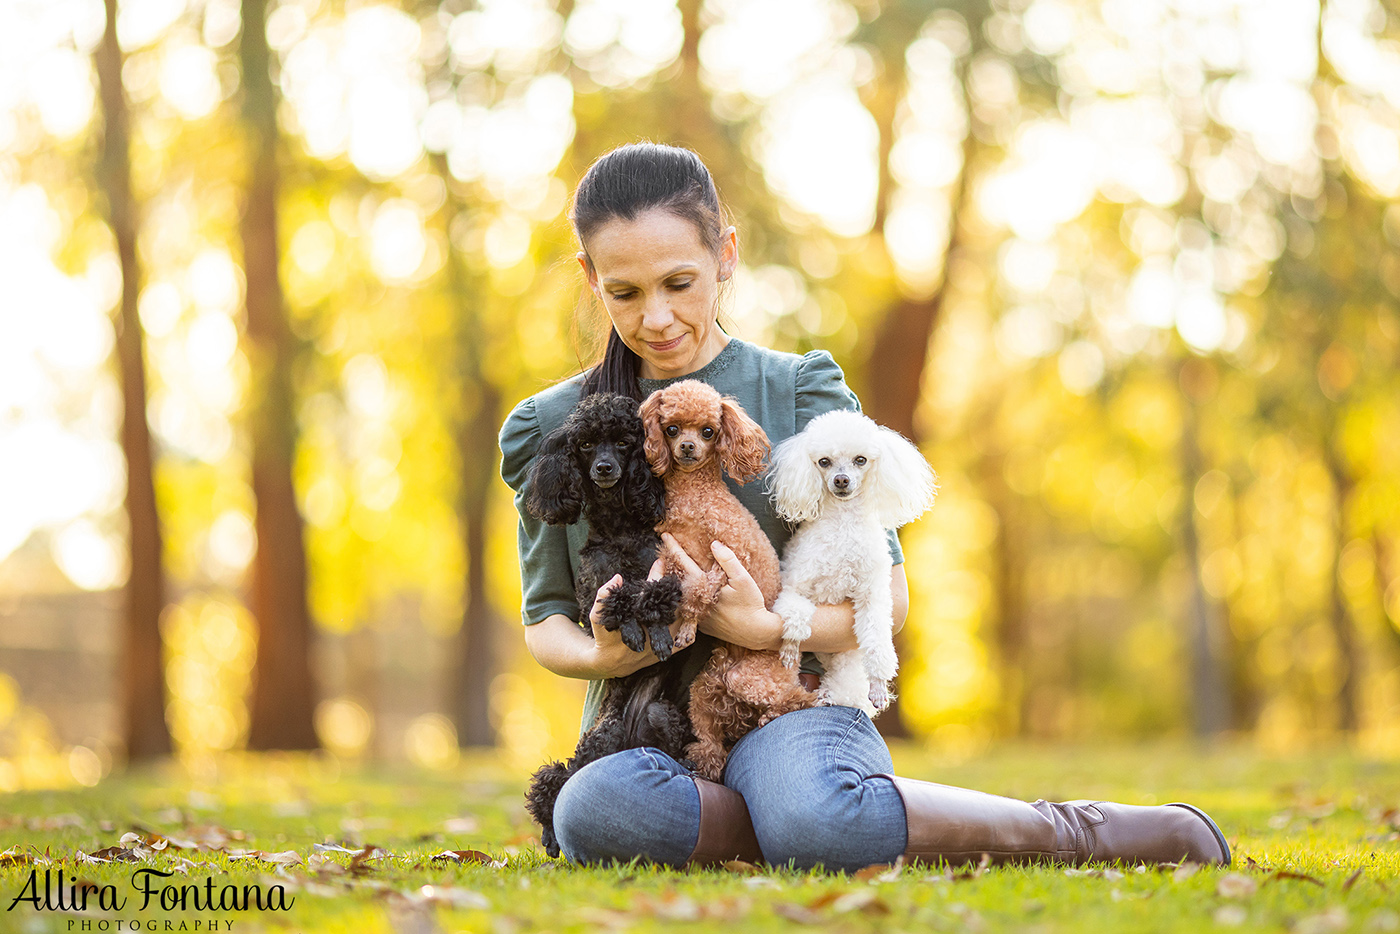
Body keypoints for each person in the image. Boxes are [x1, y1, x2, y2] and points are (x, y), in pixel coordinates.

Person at [498, 142, 1230, 872]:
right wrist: (600, 652)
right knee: (597, 810)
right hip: (641, 734)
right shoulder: (552, 426)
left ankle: (1075, 831)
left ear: (726, 254)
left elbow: (891, 598)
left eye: (679, 282)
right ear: (592, 279)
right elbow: (546, 620)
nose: (656, 317)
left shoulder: (802, 392)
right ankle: (798, 819)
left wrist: (763, 625)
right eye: (625, 292)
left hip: (791, 704)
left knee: (812, 815)